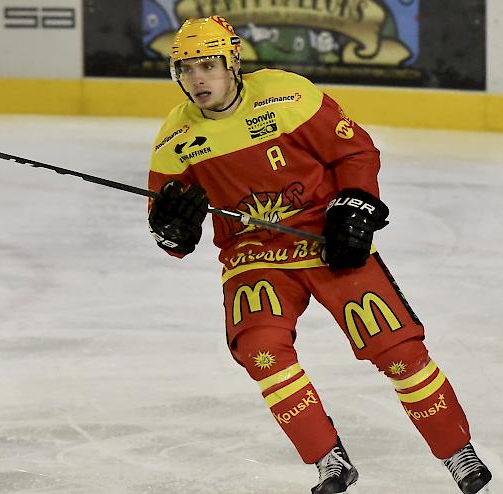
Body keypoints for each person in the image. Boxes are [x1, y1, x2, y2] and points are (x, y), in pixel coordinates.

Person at [146, 15, 492, 494]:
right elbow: (169, 233)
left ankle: (458, 452)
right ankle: (329, 459)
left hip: (321, 239)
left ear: (233, 63)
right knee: (261, 350)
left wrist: (354, 206)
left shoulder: (288, 96)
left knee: (396, 349)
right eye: (187, 69)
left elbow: (356, 153)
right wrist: (172, 229)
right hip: (253, 255)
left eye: (208, 65)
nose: (198, 78)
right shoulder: (173, 141)